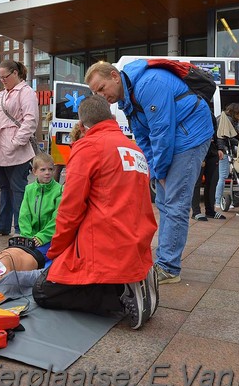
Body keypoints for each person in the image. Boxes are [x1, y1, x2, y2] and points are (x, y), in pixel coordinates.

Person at [32, 95, 159, 330]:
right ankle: (133, 280)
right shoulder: (133, 148)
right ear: (111, 118)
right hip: (136, 243)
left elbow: (70, 209)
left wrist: (56, 251)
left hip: (105, 243)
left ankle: (120, 295)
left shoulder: (88, 147)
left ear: (81, 126)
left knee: (42, 291)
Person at [85, 60, 213, 285]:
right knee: (164, 201)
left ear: (115, 77)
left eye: (102, 88)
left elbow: (161, 132)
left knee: (175, 202)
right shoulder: (127, 97)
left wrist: (160, 172)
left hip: (190, 135)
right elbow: (143, 138)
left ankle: (168, 267)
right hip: (176, 136)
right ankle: (166, 258)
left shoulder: (149, 83)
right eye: (96, 93)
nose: (101, 96)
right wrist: (152, 171)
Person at [0, 60, 38, 238]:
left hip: (16, 151)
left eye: (5, 76)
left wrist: (16, 142)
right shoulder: (0, 95)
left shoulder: (26, 92)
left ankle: (20, 229)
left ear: (15, 73)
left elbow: (31, 120)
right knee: (4, 188)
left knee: (18, 190)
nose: (2, 80)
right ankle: (2, 226)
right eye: (0, 77)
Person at [18, 152, 63, 257]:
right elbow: (24, 215)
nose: (47, 172)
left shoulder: (59, 190)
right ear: (34, 171)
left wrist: (42, 237)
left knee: (36, 257)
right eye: (43, 169)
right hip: (31, 237)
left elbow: (57, 218)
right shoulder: (29, 189)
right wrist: (27, 237)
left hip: (49, 237)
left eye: (50, 169)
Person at [191, 114, 225, 221]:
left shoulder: (210, 115)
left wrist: (220, 148)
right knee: (197, 183)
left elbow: (217, 132)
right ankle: (196, 211)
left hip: (212, 151)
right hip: (199, 150)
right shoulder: (192, 115)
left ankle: (210, 210)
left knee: (212, 181)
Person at [214, 103, 239, 209]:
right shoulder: (227, 120)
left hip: (223, 150)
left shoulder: (223, 118)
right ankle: (218, 201)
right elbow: (226, 137)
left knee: (223, 176)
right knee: (222, 176)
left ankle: (220, 200)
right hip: (225, 151)